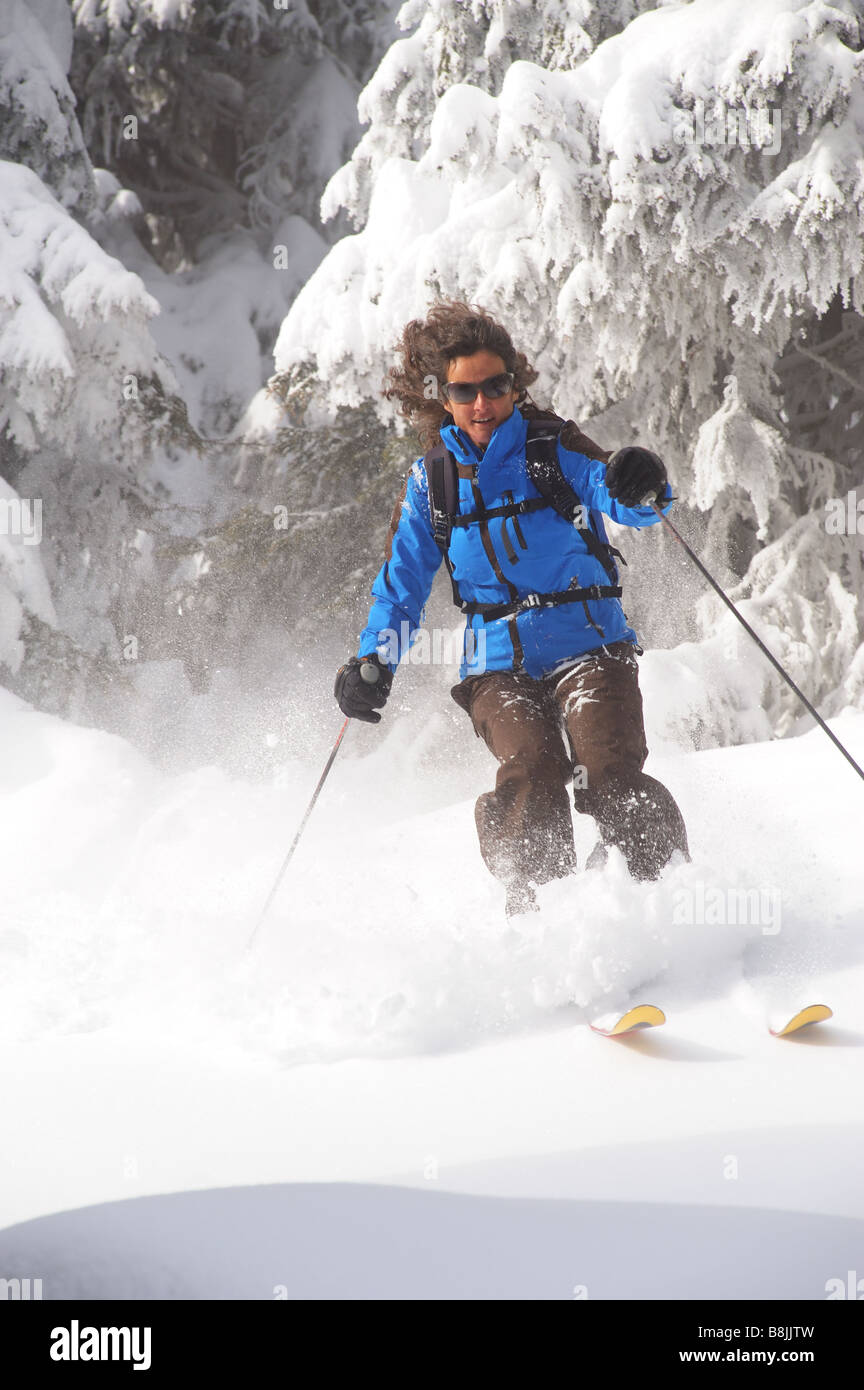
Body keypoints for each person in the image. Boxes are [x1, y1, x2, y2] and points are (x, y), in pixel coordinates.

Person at [335, 301, 689, 917]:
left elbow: (620, 494)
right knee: (533, 771)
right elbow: (402, 587)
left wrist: (643, 480)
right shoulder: (432, 482)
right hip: (498, 669)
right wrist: (374, 661)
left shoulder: (552, 446)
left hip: (591, 649)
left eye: (494, 386)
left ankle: (664, 898)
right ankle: (539, 915)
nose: (481, 404)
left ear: (513, 385)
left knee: (611, 775)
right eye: (464, 390)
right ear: (444, 398)